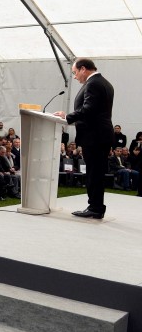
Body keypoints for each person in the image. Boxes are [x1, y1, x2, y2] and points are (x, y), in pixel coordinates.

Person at [54, 58, 114, 219]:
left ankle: (95, 207)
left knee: (94, 173)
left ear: (83, 69)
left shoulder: (93, 83)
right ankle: (96, 206)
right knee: (96, 173)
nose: (74, 76)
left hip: (95, 136)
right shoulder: (105, 82)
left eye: (74, 72)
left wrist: (68, 117)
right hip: (100, 135)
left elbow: (88, 109)